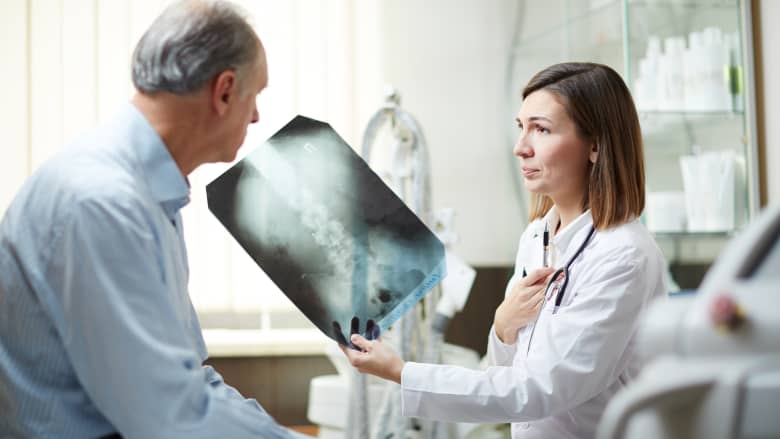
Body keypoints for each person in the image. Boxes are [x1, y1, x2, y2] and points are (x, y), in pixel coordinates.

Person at [0, 1, 309, 438]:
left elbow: (192, 383)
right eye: (255, 95)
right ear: (224, 91)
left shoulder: (146, 195)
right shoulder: (102, 203)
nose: (256, 115)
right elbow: (172, 417)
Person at [341, 62, 667, 438]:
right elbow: (504, 374)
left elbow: (537, 389)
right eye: (521, 127)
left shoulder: (624, 256)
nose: (520, 147)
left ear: (595, 145)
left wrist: (401, 372)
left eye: (541, 129)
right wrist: (503, 326)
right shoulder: (536, 238)